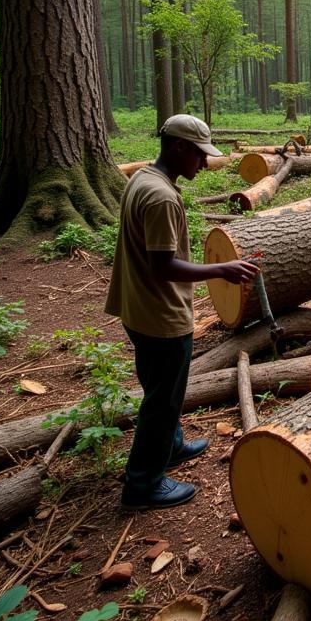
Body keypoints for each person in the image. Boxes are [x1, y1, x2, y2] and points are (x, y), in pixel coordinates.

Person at [105, 114, 259, 510]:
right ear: (178, 147)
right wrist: (221, 270)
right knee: (163, 399)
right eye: (199, 155)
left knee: (160, 389)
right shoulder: (161, 197)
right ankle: (142, 484)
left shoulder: (143, 178)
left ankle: (170, 446)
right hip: (161, 317)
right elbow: (164, 266)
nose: (205, 164)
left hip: (137, 309)